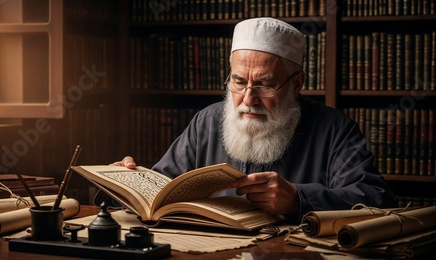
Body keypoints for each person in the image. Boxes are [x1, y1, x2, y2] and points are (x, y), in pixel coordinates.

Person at [111, 17, 397, 224]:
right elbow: (162, 189)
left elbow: (377, 201)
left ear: (296, 85)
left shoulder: (333, 129)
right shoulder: (207, 122)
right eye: (238, 82)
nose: (248, 99)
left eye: (264, 85)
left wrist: (298, 199)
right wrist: (126, 183)